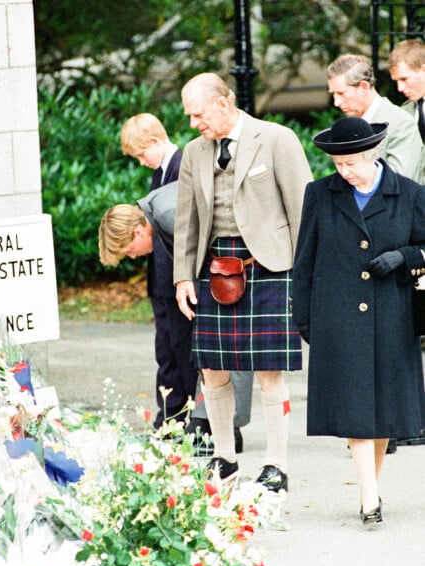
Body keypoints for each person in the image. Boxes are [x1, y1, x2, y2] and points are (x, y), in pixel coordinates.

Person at [173, 72, 313, 492]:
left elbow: (303, 208)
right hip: (214, 269)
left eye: (198, 114)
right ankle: (225, 458)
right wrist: (183, 275)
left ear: (222, 103)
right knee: (211, 368)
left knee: (269, 370)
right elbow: (186, 221)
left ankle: (276, 466)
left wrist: (304, 275)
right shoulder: (194, 153)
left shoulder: (276, 139)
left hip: (268, 267)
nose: (195, 123)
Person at [292, 117, 425, 524]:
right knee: (355, 408)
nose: (344, 172)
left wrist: (405, 257)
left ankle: (372, 487)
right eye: (338, 164)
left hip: (392, 314)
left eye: (351, 163)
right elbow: (305, 260)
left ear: (373, 155)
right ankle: (370, 497)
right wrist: (304, 318)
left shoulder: (409, 193)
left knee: (382, 409)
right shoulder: (319, 194)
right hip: (337, 315)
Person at [119, 114, 253, 450]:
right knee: (170, 353)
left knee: (195, 356)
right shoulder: (160, 173)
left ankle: (207, 423)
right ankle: (172, 419)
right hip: (166, 281)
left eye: (139, 154)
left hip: (184, 279)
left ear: (153, 142)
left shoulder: (183, 166)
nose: (140, 161)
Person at [326, 53, 423, 182]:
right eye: (333, 94)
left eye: (341, 93)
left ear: (363, 87)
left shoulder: (401, 122)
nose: (336, 102)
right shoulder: (350, 126)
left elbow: (400, 183)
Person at [388, 39, 425, 185]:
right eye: (396, 81)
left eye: (404, 79)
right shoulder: (405, 111)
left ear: (423, 70)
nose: (400, 88)